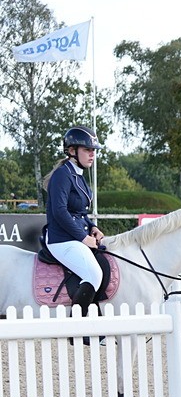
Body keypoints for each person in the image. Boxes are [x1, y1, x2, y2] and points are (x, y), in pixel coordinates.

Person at [45, 126, 105, 318]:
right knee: (94, 275)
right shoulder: (62, 175)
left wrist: (93, 227)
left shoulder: (78, 175)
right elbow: (60, 212)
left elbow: (80, 212)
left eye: (94, 151)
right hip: (61, 239)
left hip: (76, 237)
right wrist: (83, 237)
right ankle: (76, 326)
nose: (92, 154)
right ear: (72, 151)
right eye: (88, 150)